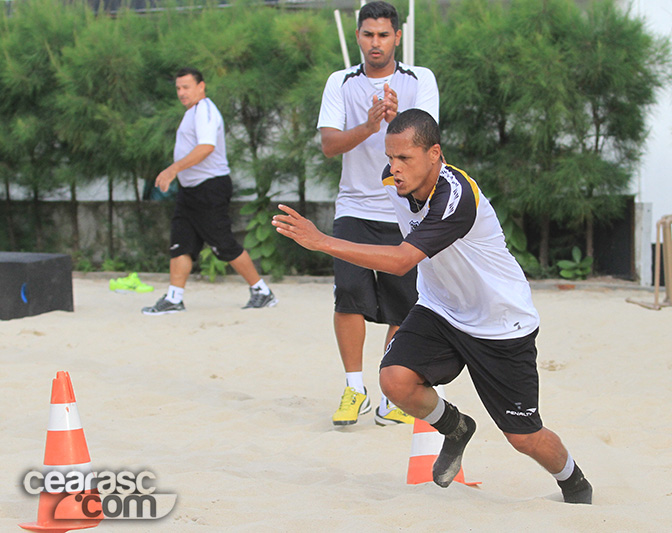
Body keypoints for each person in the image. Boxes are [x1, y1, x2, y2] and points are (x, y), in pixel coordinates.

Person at [273, 109, 592, 503]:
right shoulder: (393, 183)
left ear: (435, 153)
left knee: (524, 438)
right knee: (395, 381)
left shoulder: (456, 198)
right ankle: (456, 427)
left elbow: (402, 260)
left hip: (500, 322)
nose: (394, 168)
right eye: (390, 157)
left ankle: (575, 482)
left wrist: (322, 241)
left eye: (405, 158)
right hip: (441, 308)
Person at [317, 1, 439, 426]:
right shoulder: (341, 82)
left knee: (404, 306)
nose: (375, 42)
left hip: (404, 210)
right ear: (357, 37)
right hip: (354, 205)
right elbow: (329, 145)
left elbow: (426, 145)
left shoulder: (420, 79)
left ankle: (390, 397)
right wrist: (369, 126)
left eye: (383, 35)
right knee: (348, 294)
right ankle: (355, 388)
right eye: (368, 34)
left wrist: (394, 121)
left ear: (397, 37)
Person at [142, 67, 277, 315]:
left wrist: (173, 169)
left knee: (222, 244)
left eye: (186, 87)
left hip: (210, 187)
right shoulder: (192, 112)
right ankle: (174, 298)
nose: (182, 93)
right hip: (190, 190)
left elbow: (206, 147)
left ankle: (262, 291)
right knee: (180, 242)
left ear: (201, 86)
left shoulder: (204, 110)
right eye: (178, 88)